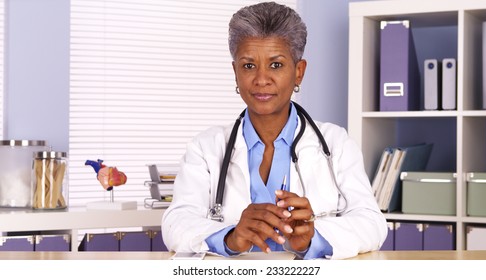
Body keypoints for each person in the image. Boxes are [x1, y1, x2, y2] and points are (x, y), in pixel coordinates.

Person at [161, 1, 387, 260]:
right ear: (235, 73)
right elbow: (175, 222)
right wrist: (230, 237)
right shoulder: (206, 148)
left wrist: (313, 238)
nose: (261, 79)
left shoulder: (336, 143)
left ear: (299, 72)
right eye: (248, 66)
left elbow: (372, 223)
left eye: (276, 65)